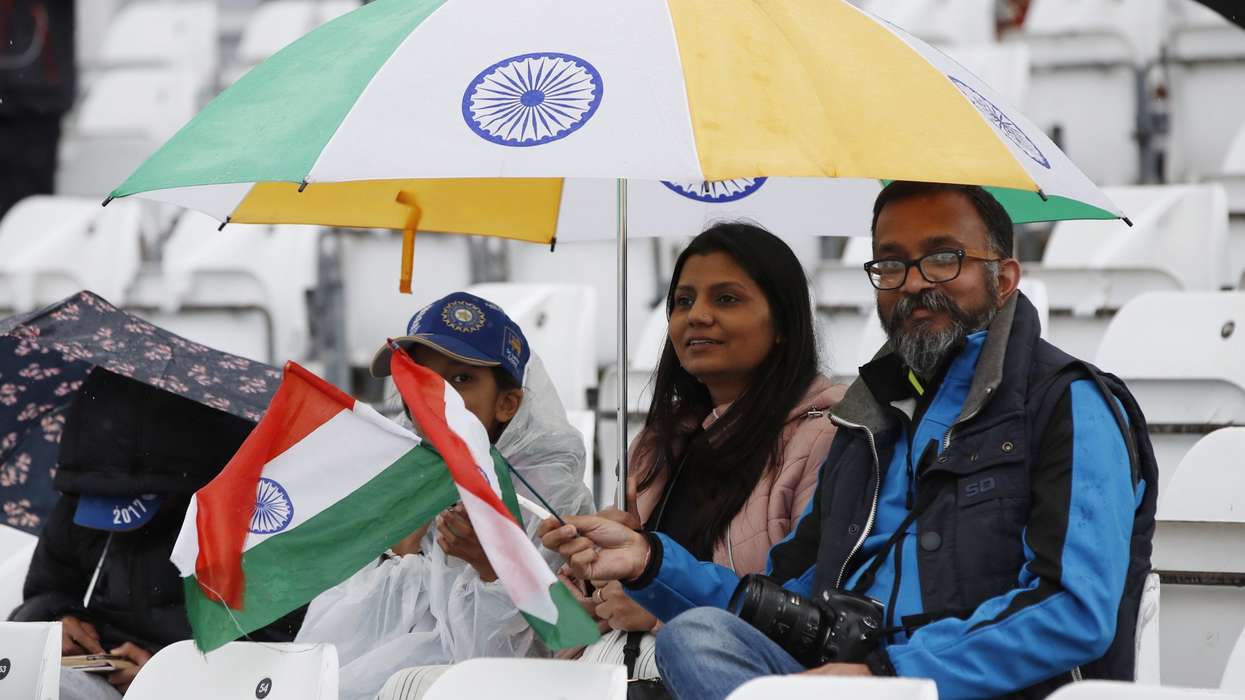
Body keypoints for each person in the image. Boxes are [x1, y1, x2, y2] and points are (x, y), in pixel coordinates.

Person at [542, 182, 1158, 699]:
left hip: (971, 689)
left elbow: (1073, 609)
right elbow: (779, 596)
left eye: (942, 258)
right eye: (891, 264)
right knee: (698, 637)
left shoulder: (1067, 403)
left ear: (1003, 279)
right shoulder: (870, 424)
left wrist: (891, 673)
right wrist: (650, 560)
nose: (913, 283)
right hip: (846, 683)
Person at [571, 222, 846, 680]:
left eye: (726, 299)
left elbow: (805, 612)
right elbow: (591, 615)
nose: (696, 315)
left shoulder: (826, 439)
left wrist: (655, 608)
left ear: (783, 323)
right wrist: (590, 580)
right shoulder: (655, 446)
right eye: (683, 301)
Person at [295, 291, 595, 700]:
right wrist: (401, 551)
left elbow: (539, 658)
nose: (435, 397)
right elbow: (332, 638)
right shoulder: (398, 480)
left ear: (507, 403)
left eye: (460, 379)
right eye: (420, 379)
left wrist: (490, 567)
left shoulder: (547, 498)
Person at [10, 368, 303, 700]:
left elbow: (272, 660)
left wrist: (163, 676)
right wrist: (56, 623)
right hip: (87, 681)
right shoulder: (79, 506)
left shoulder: (255, 532)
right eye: (102, 494)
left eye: (134, 496)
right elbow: (38, 598)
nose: (113, 509)